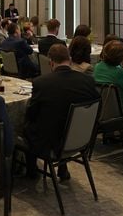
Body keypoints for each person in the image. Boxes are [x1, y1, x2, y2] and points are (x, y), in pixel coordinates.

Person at [23, 44, 100, 179]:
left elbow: (31, 114)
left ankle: (31, 171)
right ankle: (62, 169)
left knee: (26, 127)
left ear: (51, 63)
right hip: (80, 138)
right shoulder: (88, 81)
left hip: (51, 142)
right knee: (61, 120)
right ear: (69, 60)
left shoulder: (42, 83)